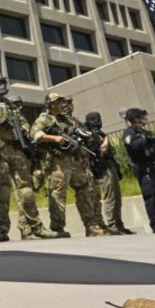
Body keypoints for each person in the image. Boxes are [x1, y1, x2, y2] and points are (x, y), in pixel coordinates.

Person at [0, 75, 58, 241]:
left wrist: (22, 129)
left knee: (26, 190)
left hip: (16, 149)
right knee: (3, 191)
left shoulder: (11, 104)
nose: (2, 86)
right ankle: (2, 230)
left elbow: (25, 123)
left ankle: (33, 228)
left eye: (3, 83)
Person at [31, 93, 106, 238]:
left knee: (84, 190)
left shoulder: (67, 120)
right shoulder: (43, 119)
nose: (62, 104)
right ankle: (58, 228)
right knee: (58, 193)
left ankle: (91, 226)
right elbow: (35, 135)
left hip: (74, 160)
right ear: (50, 104)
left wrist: (83, 156)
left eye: (62, 101)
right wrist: (54, 138)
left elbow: (77, 139)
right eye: (58, 102)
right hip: (57, 162)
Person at [82, 112, 134, 235]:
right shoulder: (89, 135)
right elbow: (101, 149)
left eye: (99, 119)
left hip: (109, 166)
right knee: (110, 198)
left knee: (116, 197)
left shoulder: (100, 133)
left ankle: (119, 224)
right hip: (101, 169)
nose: (98, 121)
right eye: (95, 119)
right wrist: (106, 139)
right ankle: (112, 225)